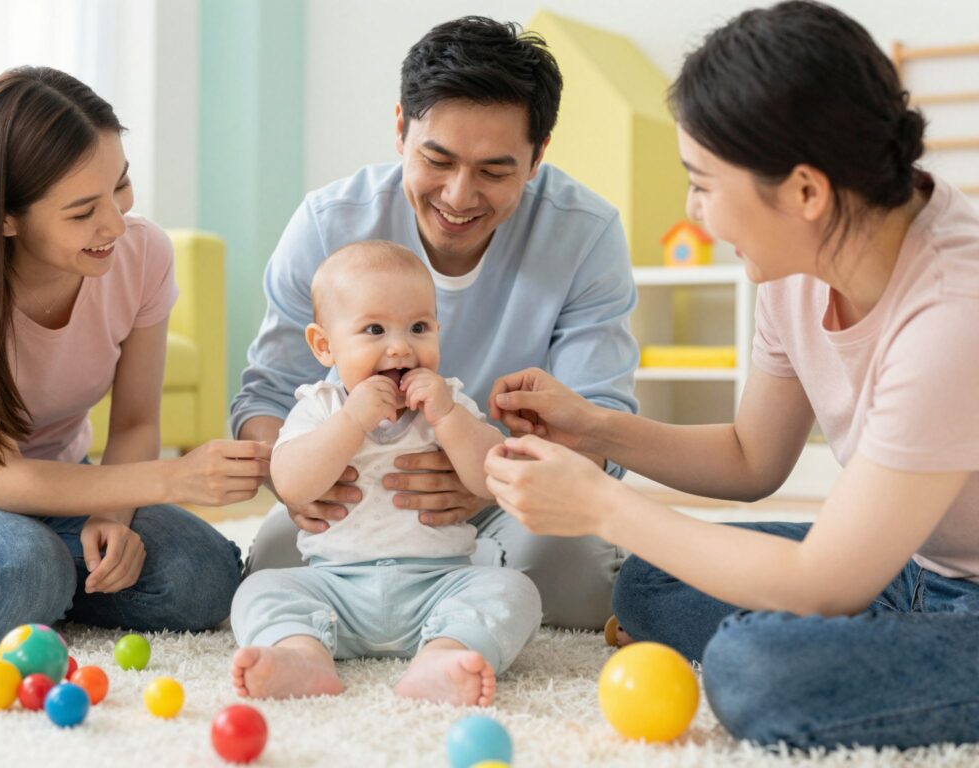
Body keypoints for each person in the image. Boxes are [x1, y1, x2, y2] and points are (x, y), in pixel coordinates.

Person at [483, 0, 979, 751]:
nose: (694, 210)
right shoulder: (800, 264)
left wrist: (600, 504)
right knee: (649, 580)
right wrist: (596, 428)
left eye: (705, 183)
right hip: (913, 568)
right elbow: (754, 458)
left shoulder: (953, 311)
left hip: (944, 593)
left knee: (755, 672)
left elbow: (824, 584)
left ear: (806, 192)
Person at [231, 16, 639, 630]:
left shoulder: (585, 233)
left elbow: (599, 423)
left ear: (536, 158)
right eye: (437, 160)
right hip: (357, 497)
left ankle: (463, 618)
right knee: (272, 563)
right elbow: (265, 394)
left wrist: (485, 484)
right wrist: (303, 487)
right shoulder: (327, 224)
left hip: (513, 495)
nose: (458, 195)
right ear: (401, 129)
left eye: (495, 172)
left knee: (579, 582)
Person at [0, 67, 272, 646]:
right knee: (17, 578)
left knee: (205, 577)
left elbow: (134, 422)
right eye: (82, 212)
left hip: (68, 481)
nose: (115, 224)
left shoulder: (142, 253)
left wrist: (114, 515)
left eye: (120, 187)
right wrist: (174, 478)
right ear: (5, 216)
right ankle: (39, 578)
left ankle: (49, 581)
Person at [230, 241, 540, 705]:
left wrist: (449, 418)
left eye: (419, 327)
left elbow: (490, 478)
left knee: (514, 590)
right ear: (324, 345)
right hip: (335, 589)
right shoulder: (320, 406)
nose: (400, 346)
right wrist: (351, 421)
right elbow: (291, 483)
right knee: (261, 587)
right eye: (374, 329)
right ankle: (303, 654)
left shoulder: (449, 400)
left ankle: (445, 653)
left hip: (440, 583)